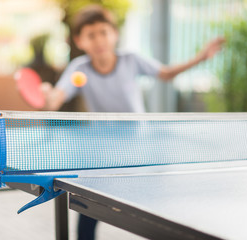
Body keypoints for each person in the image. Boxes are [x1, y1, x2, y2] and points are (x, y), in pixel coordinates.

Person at [40, 5, 224, 240]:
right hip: (101, 156)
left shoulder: (131, 60)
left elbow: (165, 73)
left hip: (139, 152)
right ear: (79, 40)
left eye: (103, 32)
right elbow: (55, 99)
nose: (99, 40)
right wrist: (46, 94)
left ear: (115, 34)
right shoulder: (79, 69)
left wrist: (201, 57)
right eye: (91, 35)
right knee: (86, 210)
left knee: (152, 213)